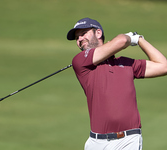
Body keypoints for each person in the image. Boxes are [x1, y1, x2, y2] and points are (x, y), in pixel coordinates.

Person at [67, 17, 167, 150]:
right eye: (77, 37)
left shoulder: (126, 63)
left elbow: (163, 66)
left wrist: (140, 39)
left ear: (98, 33)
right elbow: (123, 40)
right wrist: (131, 38)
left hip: (128, 140)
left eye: (83, 33)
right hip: (96, 142)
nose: (79, 39)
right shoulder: (80, 61)